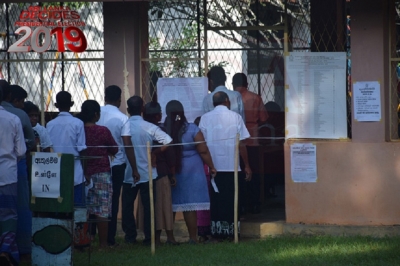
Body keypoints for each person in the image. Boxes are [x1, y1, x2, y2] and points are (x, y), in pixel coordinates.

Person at [198, 91, 251, 240]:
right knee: (231, 200)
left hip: (213, 167)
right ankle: (232, 232)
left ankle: (218, 232)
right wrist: (246, 164)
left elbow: (201, 144)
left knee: (216, 201)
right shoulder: (236, 117)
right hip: (231, 166)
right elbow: (242, 143)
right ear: (227, 101)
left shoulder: (205, 118)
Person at [164, 100, 216, 244]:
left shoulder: (163, 129)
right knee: (190, 205)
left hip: (170, 169)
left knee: (171, 205)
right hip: (192, 170)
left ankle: (170, 238)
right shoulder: (192, 128)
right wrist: (211, 166)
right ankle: (193, 238)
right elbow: (203, 150)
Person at [122, 96, 172, 245]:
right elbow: (168, 140)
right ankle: (149, 238)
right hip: (148, 173)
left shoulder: (124, 125)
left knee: (127, 207)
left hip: (128, 173)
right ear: (142, 109)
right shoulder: (149, 126)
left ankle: (130, 237)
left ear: (128, 109)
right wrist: (155, 153)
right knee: (149, 207)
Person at [96, 85, 139, 247]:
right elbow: (127, 145)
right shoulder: (122, 118)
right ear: (119, 100)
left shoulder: (96, 114)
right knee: (112, 202)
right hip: (117, 165)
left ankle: (93, 234)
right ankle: (110, 238)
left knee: (95, 199)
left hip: (96, 163)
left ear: (105, 96)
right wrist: (134, 168)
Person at [76, 100, 118, 248]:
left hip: (82, 174)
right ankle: (103, 244)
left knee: (83, 209)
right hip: (102, 173)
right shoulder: (102, 131)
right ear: (95, 114)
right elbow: (115, 149)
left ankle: (83, 241)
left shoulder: (79, 128)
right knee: (102, 210)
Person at [1, 83, 34, 260]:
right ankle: (6, 250)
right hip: (8, 174)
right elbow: (21, 151)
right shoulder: (14, 117)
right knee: (10, 214)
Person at [139, 101, 178, 245]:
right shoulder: (160, 131)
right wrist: (172, 174)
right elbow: (171, 154)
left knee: (150, 205)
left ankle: (152, 237)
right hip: (161, 172)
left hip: (144, 172)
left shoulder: (139, 128)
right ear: (158, 116)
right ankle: (170, 237)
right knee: (164, 206)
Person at [232, 73, 269, 214]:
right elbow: (264, 118)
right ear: (247, 83)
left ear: (232, 84)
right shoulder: (255, 98)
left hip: (235, 139)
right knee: (254, 171)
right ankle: (254, 203)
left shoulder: (229, 98)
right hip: (252, 138)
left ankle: (240, 204)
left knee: (238, 172)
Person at [46, 91, 87, 206]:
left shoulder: (50, 124)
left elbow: (47, 148)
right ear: (72, 104)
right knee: (78, 209)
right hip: (76, 174)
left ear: (56, 105)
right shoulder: (78, 123)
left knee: (59, 209)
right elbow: (82, 149)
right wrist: (86, 172)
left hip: (56, 173)